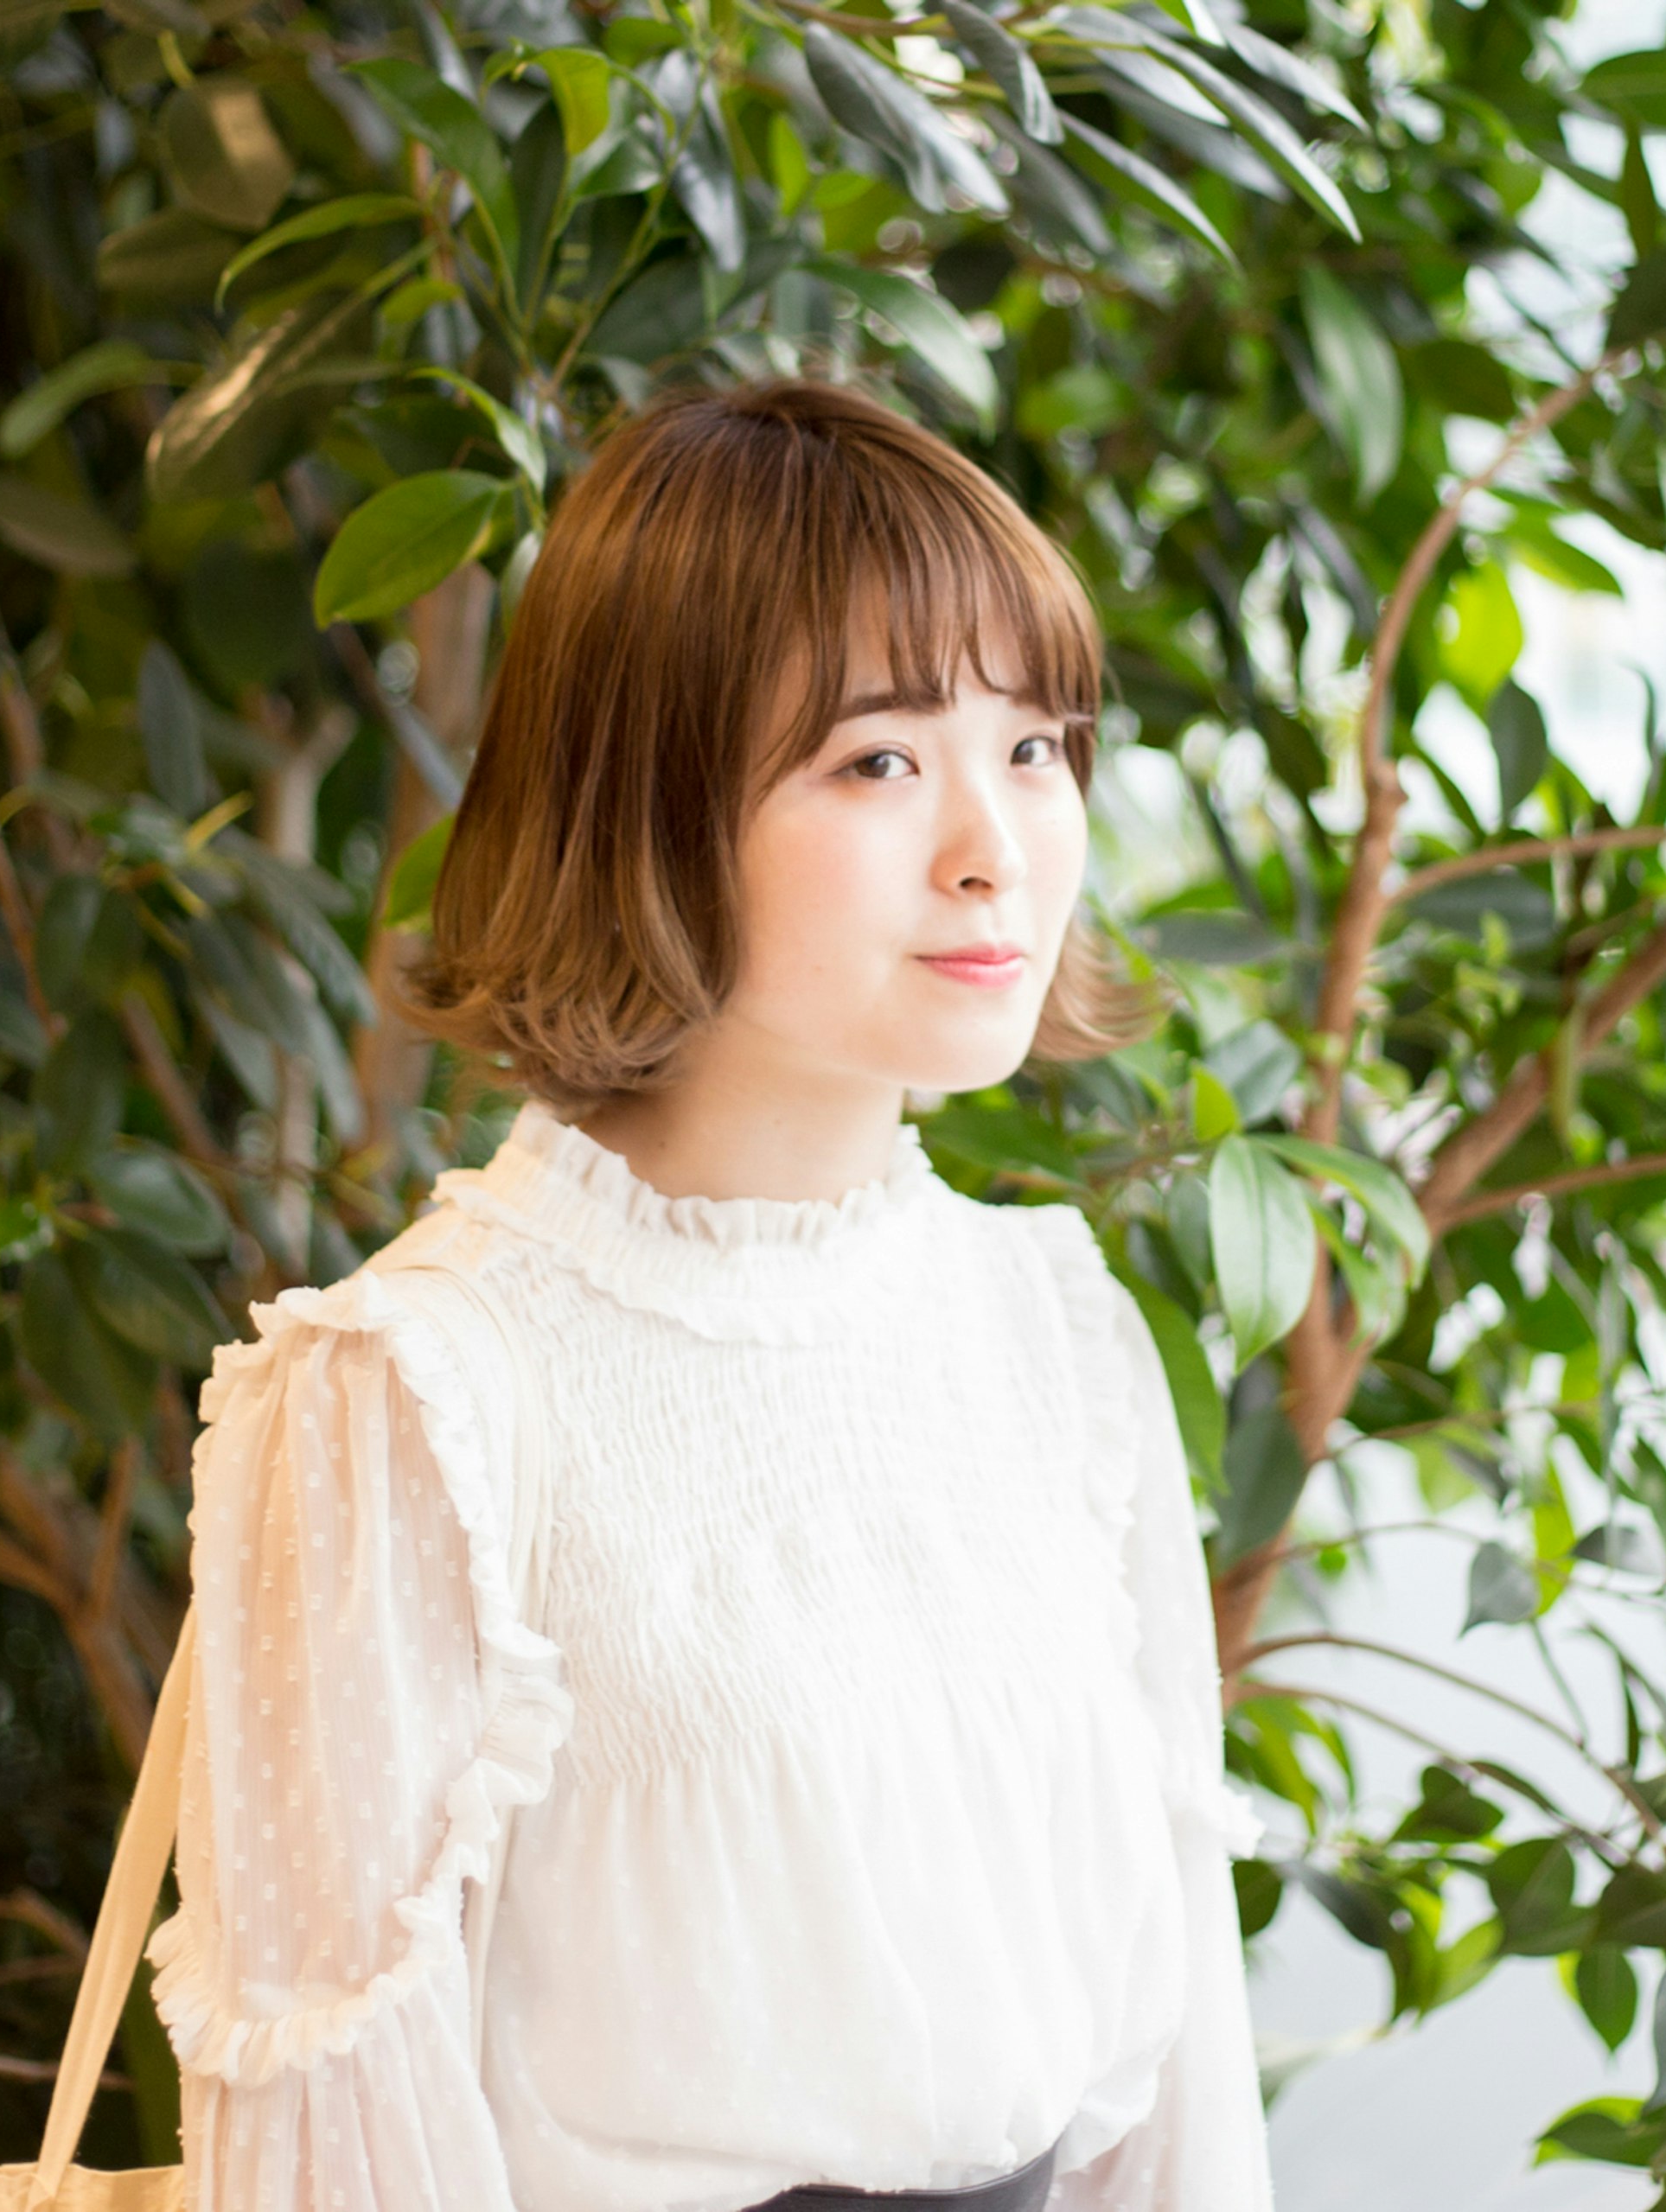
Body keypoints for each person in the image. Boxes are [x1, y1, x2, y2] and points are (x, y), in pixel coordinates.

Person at [142, 381, 1273, 2212]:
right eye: (881, 760)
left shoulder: (1049, 1322)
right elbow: (335, 2153)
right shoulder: (415, 1397)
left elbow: (1183, 2094)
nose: (998, 844)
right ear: (653, 802)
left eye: (1042, 742)